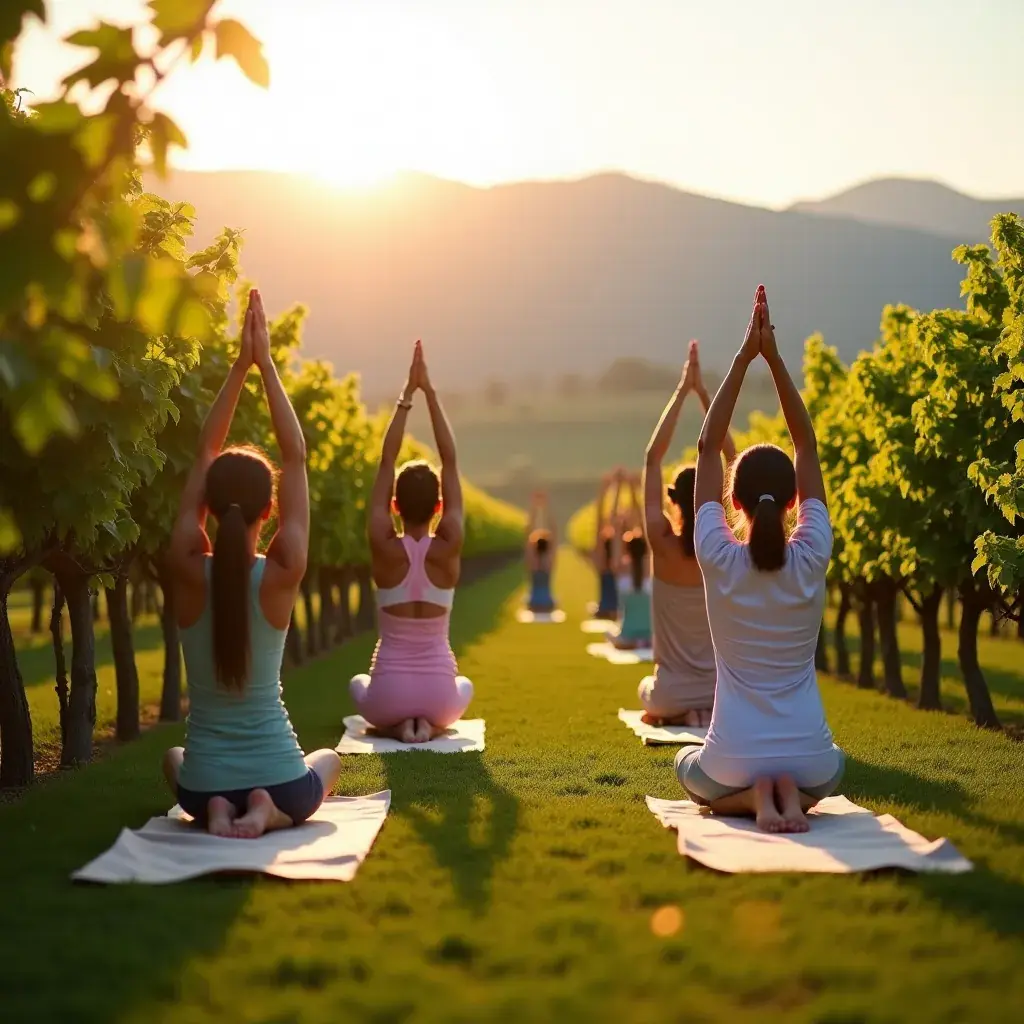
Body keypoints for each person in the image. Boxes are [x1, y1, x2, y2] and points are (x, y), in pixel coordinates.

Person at [163, 289, 342, 839]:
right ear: (271, 508)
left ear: (207, 507)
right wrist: (264, 365)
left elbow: (204, 454)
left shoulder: (187, 568)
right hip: (280, 775)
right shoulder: (283, 570)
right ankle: (270, 810)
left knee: (174, 756)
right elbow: (295, 456)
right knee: (330, 758)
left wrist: (239, 368)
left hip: (202, 783)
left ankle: (218, 808)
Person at [675, 285, 843, 834]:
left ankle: (753, 800)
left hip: (730, 759)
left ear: (734, 501)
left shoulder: (717, 556)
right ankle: (789, 790)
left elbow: (705, 448)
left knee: (686, 769)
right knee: (833, 769)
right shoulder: (812, 553)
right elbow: (808, 446)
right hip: (813, 760)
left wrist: (746, 356)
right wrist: (773, 359)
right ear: (795, 500)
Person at [349, 340, 473, 744]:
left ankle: (399, 723)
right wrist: (430, 393)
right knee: (465, 684)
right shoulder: (449, 543)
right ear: (439, 504)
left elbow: (387, 462)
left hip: (386, 696)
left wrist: (406, 397)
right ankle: (426, 724)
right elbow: (451, 460)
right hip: (442, 698)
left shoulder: (383, 544)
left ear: (395, 503)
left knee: (357, 682)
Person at [640, 340, 736, 727]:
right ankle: (703, 712)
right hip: (721, 691)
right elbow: (733, 458)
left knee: (647, 689)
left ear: (673, 500)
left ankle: (683, 713)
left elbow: (652, 458)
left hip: (670, 694)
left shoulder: (661, 545)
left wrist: (683, 389)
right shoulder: (724, 542)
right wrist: (705, 397)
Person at [610, 473, 653, 650]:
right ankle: (642, 641)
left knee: (611, 635)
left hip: (626, 635)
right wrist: (636, 492)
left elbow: (615, 531)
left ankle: (633, 642)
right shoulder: (651, 565)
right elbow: (646, 526)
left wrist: (618, 488)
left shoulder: (621, 568)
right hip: (651, 634)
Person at [590, 473, 622, 620]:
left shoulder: (602, 564)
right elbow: (614, 524)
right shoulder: (621, 564)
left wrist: (604, 492)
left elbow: (600, 523)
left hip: (605, 609)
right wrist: (619, 487)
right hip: (615, 609)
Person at [525, 491, 558, 613]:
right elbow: (554, 533)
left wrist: (534, 508)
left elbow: (527, 533)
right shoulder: (548, 563)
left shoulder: (533, 564)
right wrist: (546, 507)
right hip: (547, 603)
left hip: (534, 603)